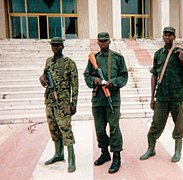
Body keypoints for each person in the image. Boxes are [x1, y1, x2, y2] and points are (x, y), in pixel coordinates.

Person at [140, 26, 183, 162]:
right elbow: (154, 76)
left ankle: (177, 151)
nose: (167, 37)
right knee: (156, 124)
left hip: (178, 97)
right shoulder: (158, 54)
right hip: (162, 97)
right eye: (165, 34)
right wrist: (152, 97)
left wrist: (182, 60)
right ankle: (151, 149)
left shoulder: (180, 52)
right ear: (163, 36)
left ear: (174, 37)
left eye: (170, 35)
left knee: (179, 125)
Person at [83, 32, 128, 173]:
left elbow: (124, 76)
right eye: (101, 41)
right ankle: (105, 152)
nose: (103, 43)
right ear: (98, 42)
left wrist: (113, 83)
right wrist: (94, 80)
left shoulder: (117, 58)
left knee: (114, 128)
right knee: (99, 129)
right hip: (98, 99)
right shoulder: (93, 59)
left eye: (105, 41)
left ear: (109, 42)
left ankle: (116, 156)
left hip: (112, 99)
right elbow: (87, 75)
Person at [39, 37, 78, 172]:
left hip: (63, 103)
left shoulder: (69, 63)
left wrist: (74, 103)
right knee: (53, 128)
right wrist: (42, 79)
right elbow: (44, 76)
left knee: (66, 129)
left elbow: (75, 85)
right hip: (49, 101)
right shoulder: (48, 62)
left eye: (58, 45)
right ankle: (58, 154)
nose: (56, 48)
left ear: (63, 46)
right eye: (53, 45)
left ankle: (71, 159)